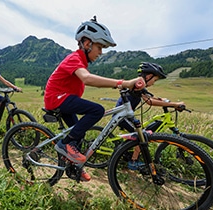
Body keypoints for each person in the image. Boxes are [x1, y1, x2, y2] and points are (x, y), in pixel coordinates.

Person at [44, 16, 146, 182]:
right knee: (96, 110)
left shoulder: (81, 62)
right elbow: (87, 79)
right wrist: (123, 83)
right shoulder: (74, 58)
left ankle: (73, 168)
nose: (100, 52)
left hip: (64, 100)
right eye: (99, 47)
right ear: (87, 44)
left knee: (78, 134)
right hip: (57, 99)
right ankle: (64, 145)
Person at [115, 62, 185, 170]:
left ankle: (127, 151)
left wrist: (163, 100)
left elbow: (151, 97)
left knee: (140, 132)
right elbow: (150, 102)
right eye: (154, 80)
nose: (154, 83)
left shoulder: (141, 86)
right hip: (122, 117)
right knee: (140, 136)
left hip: (127, 116)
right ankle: (133, 162)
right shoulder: (137, 85)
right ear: (148, 76)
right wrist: (173, 104)